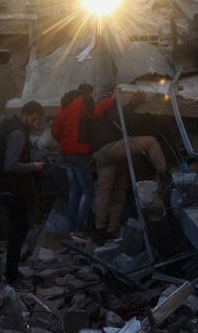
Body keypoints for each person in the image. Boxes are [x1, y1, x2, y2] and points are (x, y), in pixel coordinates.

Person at [90, 90, 170, 244]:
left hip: (99, 153)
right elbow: (118, 118)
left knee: (108, 192)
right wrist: (131, 105)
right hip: (112, 147)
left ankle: (103, 231)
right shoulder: (112, 104)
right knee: (151, 141)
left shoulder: (98, 109)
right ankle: (165, 175)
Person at [0, 101, 46, 291]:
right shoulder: (19, 133)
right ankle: (11, 277)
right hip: (12, 189)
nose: (35, 123)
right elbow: (10, 164)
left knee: (16, 231)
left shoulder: (11, 125)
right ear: (25, 114)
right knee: (17, 231)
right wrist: (33, 167)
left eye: (37, 120)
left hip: (7, 187)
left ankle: (12, 272)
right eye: (33, 118)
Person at [52, 83, 113, 237]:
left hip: (66, 153)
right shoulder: (84, 99)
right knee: (88, 191)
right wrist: (112, 99)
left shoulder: (65, 104)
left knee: (74, 189)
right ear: (87, 91)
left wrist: (65, 142)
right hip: (79, 152)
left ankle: (72, 226)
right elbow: (96, 112)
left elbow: (55, 130)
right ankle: (80, 227)